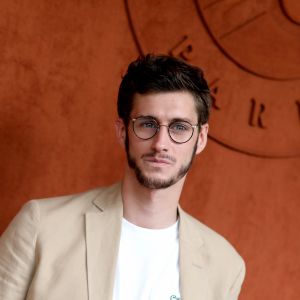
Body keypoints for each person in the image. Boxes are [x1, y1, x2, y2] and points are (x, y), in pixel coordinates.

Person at [0, 54, 245, 300]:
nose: (161, 144)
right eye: (148, 124)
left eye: (179, 127)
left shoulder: (224, 267)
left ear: (200, 138)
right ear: (122, 131)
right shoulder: (41, 227)